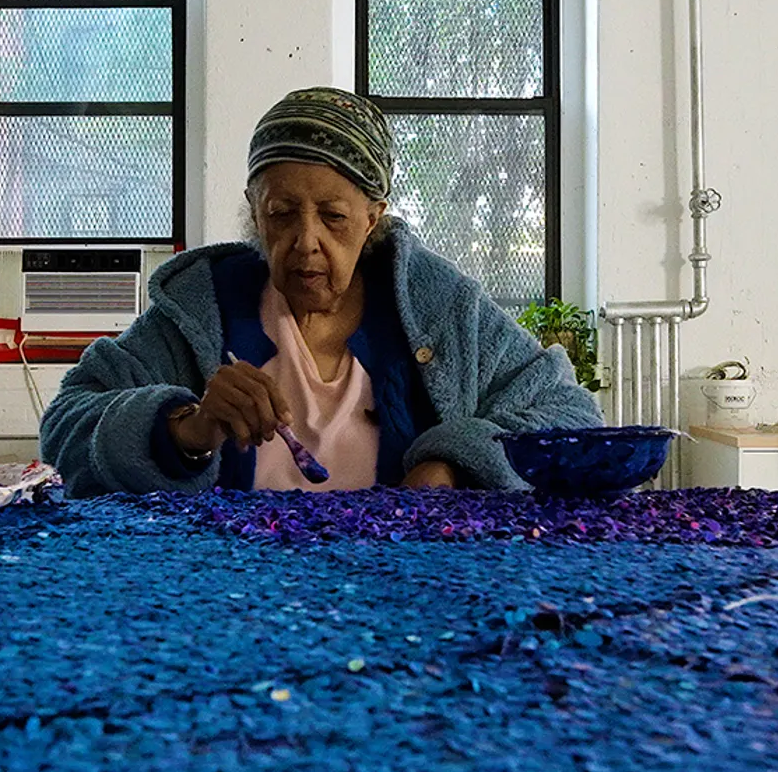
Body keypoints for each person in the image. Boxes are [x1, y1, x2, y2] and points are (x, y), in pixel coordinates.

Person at [40, 86, 601, 496]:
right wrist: (187, 428)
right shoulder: (200, 308)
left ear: (372, 218)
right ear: (255, 214)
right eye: (281, 214)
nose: (305, 242)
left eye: (333, 217)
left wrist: (455, 462)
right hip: (224, 593)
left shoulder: (439, 307)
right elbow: (65, 425)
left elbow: (571, 414)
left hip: (399, 591)